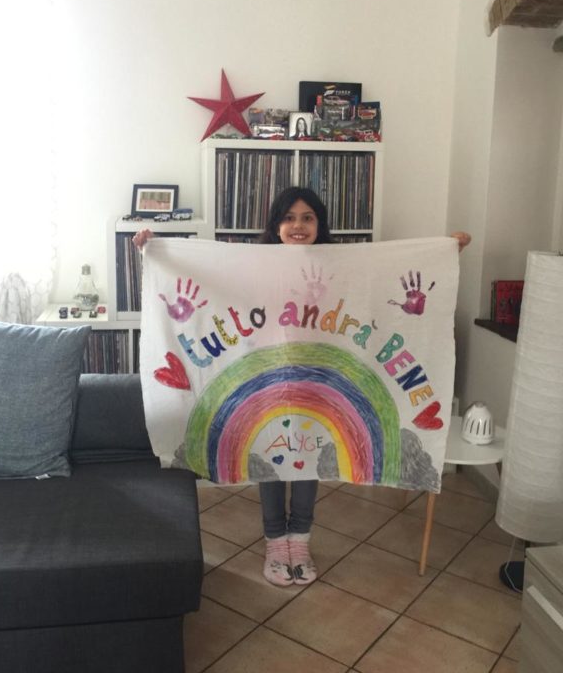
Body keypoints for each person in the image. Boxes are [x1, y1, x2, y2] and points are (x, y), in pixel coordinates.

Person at [132, 190, 471, 589]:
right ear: (276, 225)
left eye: (308, 217)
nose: (298, 225)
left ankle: (300, 541)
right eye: (289, 217)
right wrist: (156, 250)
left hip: (319, 382)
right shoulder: (253, 265)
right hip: (267, 380)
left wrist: (444, 253)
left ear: (319, 224)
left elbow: (379, 280)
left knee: (309, 460)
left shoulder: (338, 264)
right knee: (271, 459)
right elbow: (210, 272)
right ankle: (276, 542)